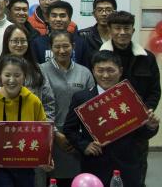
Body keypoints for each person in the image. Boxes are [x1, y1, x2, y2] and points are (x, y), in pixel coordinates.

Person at [64, 50, 159, 187]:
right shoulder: (81, 98)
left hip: (128, 165)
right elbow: (69, 129)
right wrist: (84, 145)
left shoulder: (131, 96)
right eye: (100, 70)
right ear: (93, 71)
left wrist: (151, 126)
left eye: (110, 70)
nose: (105, 75)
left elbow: (141, 134)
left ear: (120, 71)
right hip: (95, 164)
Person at [100, 10, 161, 184]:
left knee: (137, 174)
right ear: (110, 30)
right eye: (117, 28)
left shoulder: (146, 58)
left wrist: (145, 112)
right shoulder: (99, 57)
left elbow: (155, 90)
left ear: (133, 30)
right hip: (107, 125)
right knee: (107, 173)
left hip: (137, 127)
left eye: (126, 28)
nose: (122, 32)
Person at [0, 55, 51, 186]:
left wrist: (45, 156)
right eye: (7, 75)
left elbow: (43, 133)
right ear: (0, 76)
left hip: (25, 166)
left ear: (24, 76)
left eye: (17, 75)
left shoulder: (33, 101)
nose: (12, 80)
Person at [39, 31, 95, 187]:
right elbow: (38, 105)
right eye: (57, 47)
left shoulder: (84, 73)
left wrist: (78, 138)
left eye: (66, 46)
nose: (62, 50)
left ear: (73, 46)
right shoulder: (40, 71)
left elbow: (91, 107)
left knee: (75, 179)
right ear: (50, 48)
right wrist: (55, 133)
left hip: (77, 138)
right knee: (50, 179)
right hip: (49, 135)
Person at [0, 24, 56, 121]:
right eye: (15, 41)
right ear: (7, 42)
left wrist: (45, 125)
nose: (19, 44)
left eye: (23, 41)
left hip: (32, 126)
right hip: (2, 124)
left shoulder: (37, 69)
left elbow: (48, 101)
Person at [31, 1, 91, 67]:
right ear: (47, 19)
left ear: (69, 19)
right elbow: (34, 70)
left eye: (62, 16)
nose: (58, 19)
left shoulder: (81, 43)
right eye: (54, 16)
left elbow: (85, 69)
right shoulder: (37, 43)